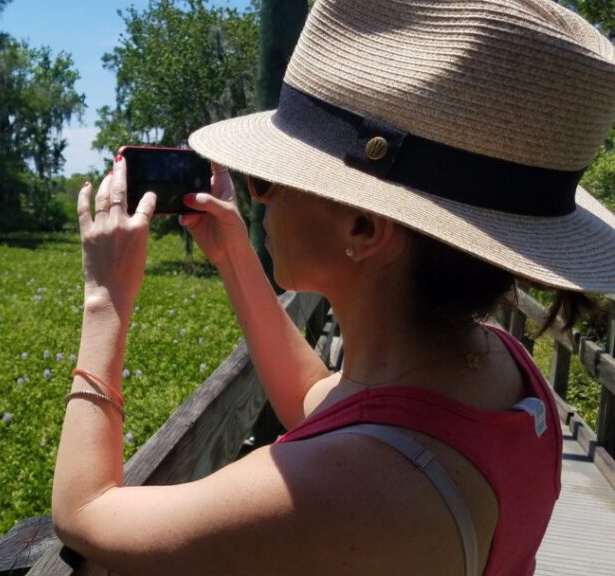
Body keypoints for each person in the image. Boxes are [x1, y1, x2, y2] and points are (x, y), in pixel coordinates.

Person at [51, 0, 615, 574]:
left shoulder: (344, 491)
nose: (258, 200)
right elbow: (316, 401)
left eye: (268, 179)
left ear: (363, 228)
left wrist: (106, 301)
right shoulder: (501, 364)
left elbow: (86, 511)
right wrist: (232, 252)